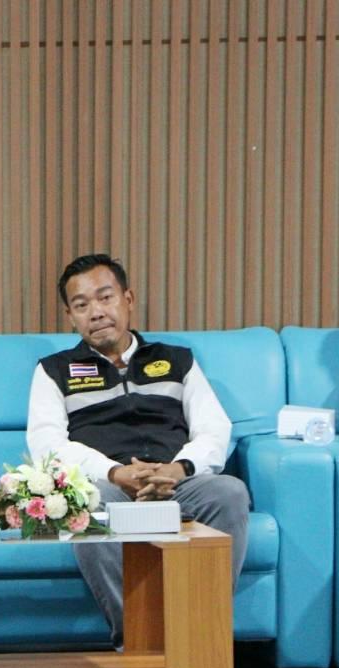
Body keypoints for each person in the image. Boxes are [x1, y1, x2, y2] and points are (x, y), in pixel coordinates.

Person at [26, 253, 249, 646]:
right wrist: (114, 473)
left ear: (128, 299)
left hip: (177, 484)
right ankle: (139, 644)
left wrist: (179, 469)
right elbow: (47, 444)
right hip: (108, 487)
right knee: (86, 505)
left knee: (229, 492)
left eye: (105, 297)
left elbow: (214, 428)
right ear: (70, 316)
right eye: (82, 305)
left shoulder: (176, 360)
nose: (96, 312)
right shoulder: (54, 370)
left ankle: (200, 640)